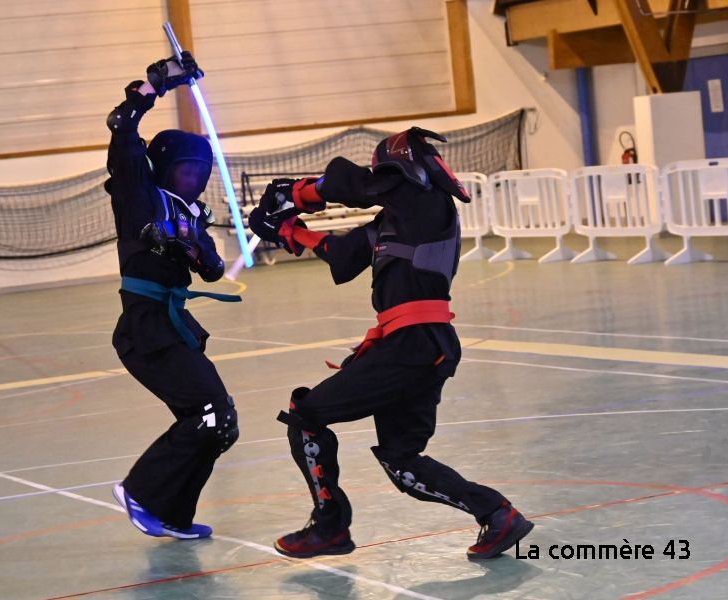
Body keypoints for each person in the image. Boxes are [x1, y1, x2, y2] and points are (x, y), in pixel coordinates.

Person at [248, 127, 534, 559]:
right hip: (415, 347)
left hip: (413, 345)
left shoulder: (430, 205)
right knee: (402, 462)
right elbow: (342, 253)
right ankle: (497, 514)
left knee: (306, 414)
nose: (382, 184)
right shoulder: (396, 220)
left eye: (386, 175)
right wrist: (289, 232)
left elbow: (354, 184)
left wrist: (298, 191)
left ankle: (329, 528)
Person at [104, 52, 240, 539]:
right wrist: (156, 85)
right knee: (210, 413)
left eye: (199, 172)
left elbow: (212, 267)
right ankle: (140, 491)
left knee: (219, 423)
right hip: (146, 329)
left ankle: (170, 514)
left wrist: (197, 250)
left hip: (173, 327)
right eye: (185, 170)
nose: (195, 179)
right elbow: (122, 131)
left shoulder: (191, 213)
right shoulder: (137, 193)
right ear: (164, 168)